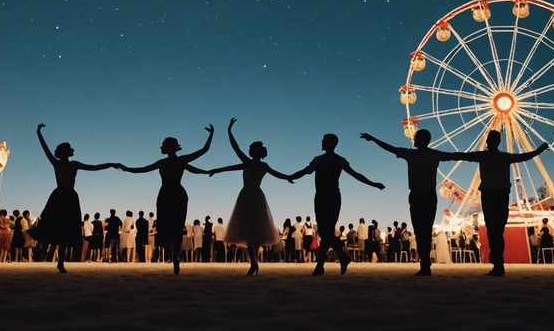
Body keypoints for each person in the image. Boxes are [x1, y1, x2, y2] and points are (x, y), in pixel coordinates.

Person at [361, 128, 467, 275]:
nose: (414, 139)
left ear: (422, 139)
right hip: (429, 195)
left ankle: (424, 264)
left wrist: (374, 139)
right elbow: (456, 155)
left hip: (416, 195)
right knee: (426, 229)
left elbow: (391, 149)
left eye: (416, 137)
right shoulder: (434, 154)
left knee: (419, 229)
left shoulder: (410, 154)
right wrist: (480, 156)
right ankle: (425, 264)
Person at [204, 118, 295, 275]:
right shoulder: (253, 164)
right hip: (252, 195)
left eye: (251, 148)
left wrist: (229, 131)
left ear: (256, 151)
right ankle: (254, 262)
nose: (249, 150)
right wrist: (229, 132)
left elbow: (236, 149)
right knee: (252, 230)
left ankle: (254, 262)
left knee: (252, 230)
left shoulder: (253, 164)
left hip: (250, 195)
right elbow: (232, 161)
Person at [118, 125, 214, 274]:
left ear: (170, 147)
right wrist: (126, 168)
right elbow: (202, 155)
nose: (161, 148)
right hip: (175, 194)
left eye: (163, 145)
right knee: (173, 227)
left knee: (170, 227)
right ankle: (175, 254)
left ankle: (174, 254)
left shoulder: (165, 163)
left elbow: (142, 169)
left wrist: (126, 168)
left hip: (168, 194)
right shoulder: (178, 161)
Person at [289, 133, 384, 276]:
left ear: (329, 143)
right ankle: (329, 262)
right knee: (326, 231)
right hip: (332, 197)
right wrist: (373, 184)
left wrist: (290, 176)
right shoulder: (338, 160)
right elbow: (356, 174)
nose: (321, 142)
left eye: (324, 140)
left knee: (325, 231)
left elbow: (305, 171)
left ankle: (328, 262)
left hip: (324, 197)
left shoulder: (320, 160)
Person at [457, 130, 548, 276]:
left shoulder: (483, 156)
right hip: (501, 195)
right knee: (498, 230)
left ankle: (497, 262)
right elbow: (524, 157)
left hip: (489, 194)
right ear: (498, 142)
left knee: (493, 230)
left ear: (487, 141)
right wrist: (539, 150)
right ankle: (498, 263)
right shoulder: (504, 157)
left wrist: (436, 155)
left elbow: (462, 156)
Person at [32, 123, 120, 273]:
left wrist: (38, 133)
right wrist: (110, 164)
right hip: (67, 196)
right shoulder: (71, 164)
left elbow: (45, 149)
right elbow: (93, 167)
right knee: (65, 228)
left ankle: (59, 261)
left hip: (60, 195)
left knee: (63, 228)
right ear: (66, 152)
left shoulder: (60, 163)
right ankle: (59, 261)